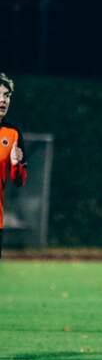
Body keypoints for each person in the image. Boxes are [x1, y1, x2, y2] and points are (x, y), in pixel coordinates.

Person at [0, 73, 27, 259]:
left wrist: (16, 165)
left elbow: (19, 181)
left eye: (7, 95)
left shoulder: (13, 133)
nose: (3, 100)